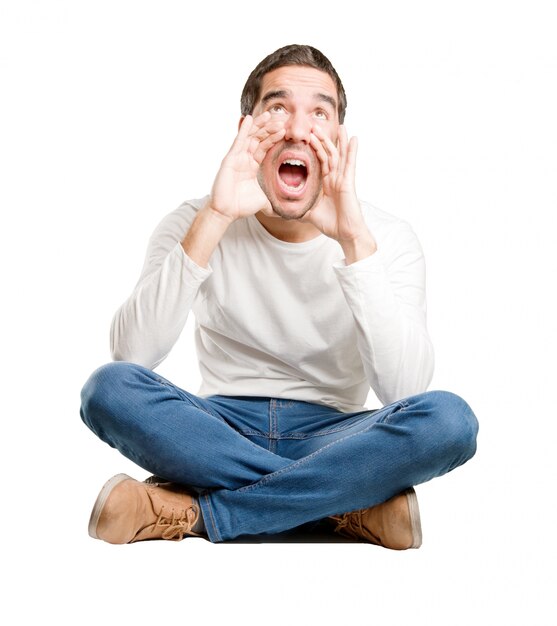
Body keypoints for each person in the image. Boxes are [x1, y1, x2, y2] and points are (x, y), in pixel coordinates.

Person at [80, 44, 478, 549]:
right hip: (216, 429)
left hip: (335, 436)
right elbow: (132, 357)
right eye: (276, 108)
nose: (296, 128)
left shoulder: (386, 237)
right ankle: (344, 505)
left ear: (337, 136)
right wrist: (217, 218)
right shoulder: (194, 220)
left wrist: (356, 245)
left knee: (450, 421)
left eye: (319, 112)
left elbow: (406, 390)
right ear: (246, 130)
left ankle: (196, 512)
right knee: (107, 390)